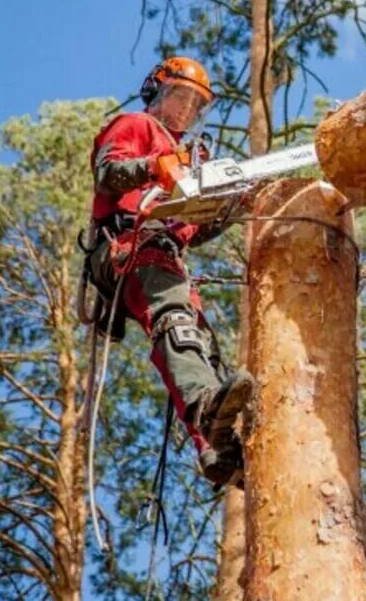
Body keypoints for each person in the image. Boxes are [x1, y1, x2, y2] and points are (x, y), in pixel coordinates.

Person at [86, 56, 252, 488]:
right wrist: (153, 165)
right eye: (180, 96)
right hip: (130, 246)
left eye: (195, 105)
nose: (185, 109)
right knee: (176, 321)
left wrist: (230, 208)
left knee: (198, 342)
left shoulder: (183, 164)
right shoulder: (137, 127)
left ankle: (217, 448)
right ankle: (205, 405)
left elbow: (189, 229)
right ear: (159, 92)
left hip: (164, 252)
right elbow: (108, 172)